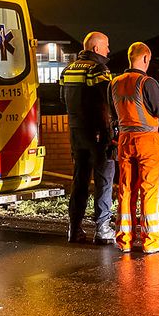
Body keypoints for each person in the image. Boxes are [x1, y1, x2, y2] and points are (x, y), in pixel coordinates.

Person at [109, 42, 159, 254]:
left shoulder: (114, 83)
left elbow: (113, 113)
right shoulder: (148, 83)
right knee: (149, 189)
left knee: (125, 189)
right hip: (147, 141)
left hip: (124, 141)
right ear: (145, 58)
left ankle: (124, 241)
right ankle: (151, 241)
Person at [59, 31, 115, 244]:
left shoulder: (68, 69)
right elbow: (108, 99)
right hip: (98, 132)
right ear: (96, 48)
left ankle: (74, 228)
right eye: (106, 46)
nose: (109, 50)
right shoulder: (98, 69)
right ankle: (102, 228)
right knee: (104, 179)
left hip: (75, 131)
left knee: (80, 179)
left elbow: (62, 98)